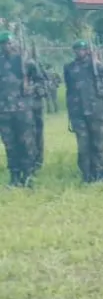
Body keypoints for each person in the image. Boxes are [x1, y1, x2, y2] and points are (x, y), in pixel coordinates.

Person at [64, 39, 103, 183]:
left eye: (82, 49)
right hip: (78, 112)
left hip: (96, 111)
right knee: (83, 146)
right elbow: (69, 90)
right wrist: (70, 110)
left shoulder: (96, 66)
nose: (79, 52)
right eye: (76, 49)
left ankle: (100, 174)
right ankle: (87, 175)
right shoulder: (69, 67)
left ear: (87, 51)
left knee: (99, 144)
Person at [0, 32, 44, 186]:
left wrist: (30, 89)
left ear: (15, 43)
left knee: (26, 143)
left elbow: (42, 82)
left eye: (9, 42)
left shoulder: (26, 62)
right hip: (4, 112)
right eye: (3, 43)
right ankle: (15, 176)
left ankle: (29, 175)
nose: (7, 46)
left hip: (23, 111)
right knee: (10, 145)